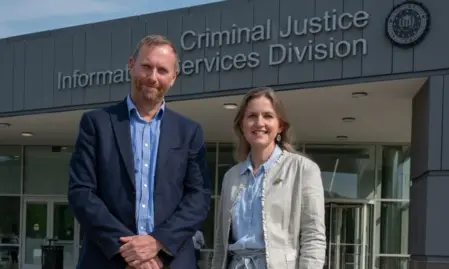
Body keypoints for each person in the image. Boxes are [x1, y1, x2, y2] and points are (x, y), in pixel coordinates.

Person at [68, 35, 211, 269]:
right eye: (146, 66)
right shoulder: (96, 124)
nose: (152, 77)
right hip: (108, 259)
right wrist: (129, 249)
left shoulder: (189, 132)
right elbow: (81, 193)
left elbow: (199, 198)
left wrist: (157, 242)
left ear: (173, 77)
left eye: (162, 70)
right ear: (131, 65)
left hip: (169, 261)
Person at [211, 87, 326, 269]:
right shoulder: (231, 177)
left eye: (268, 116)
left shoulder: (303, 170)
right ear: (242, 125)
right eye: (251, 116)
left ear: (280, 125)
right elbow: (220, 243)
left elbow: (313, 237)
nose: (259, 123)